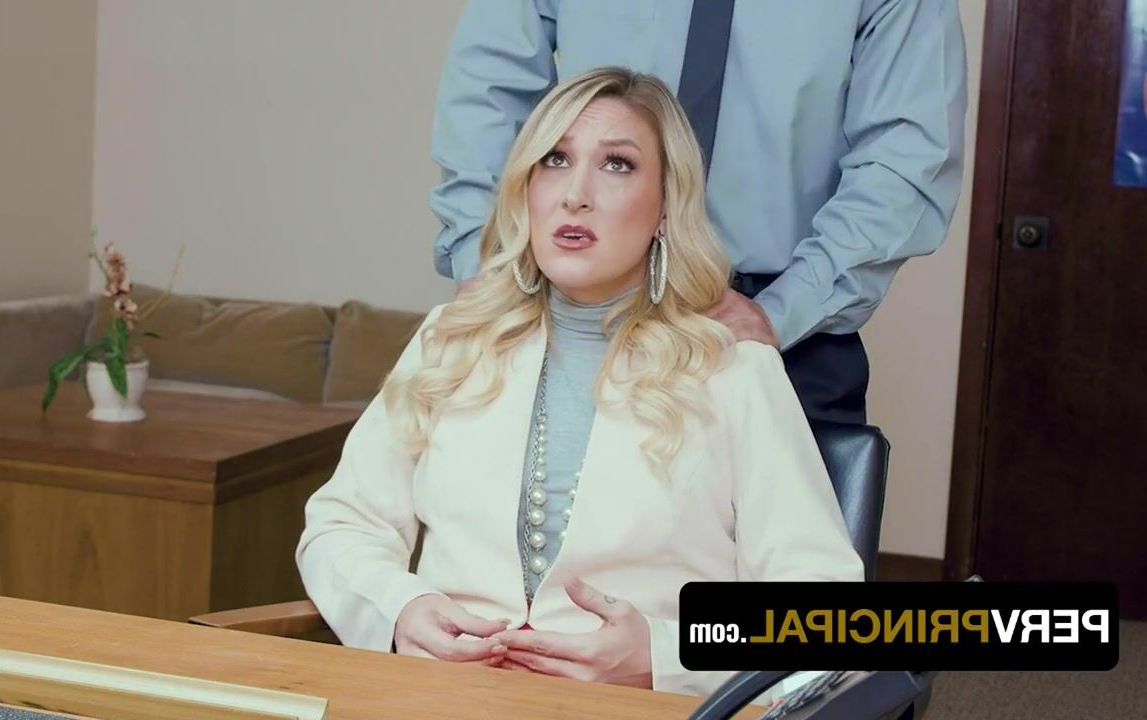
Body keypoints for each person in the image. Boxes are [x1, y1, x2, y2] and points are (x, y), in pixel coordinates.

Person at [295, 67, 862, 697]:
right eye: (555, 160)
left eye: (617, 165)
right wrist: (400, 608)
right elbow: (341, 526)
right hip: (441, 701)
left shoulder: (735, 371)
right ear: (526, 190)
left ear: (666, 208)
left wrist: (664, 655)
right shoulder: (450, 342)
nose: (575, 194)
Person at [428, 0, 968, 424]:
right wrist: (486, 269)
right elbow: (488, 93)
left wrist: (785, 311)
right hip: (572, 314)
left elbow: (905, 154)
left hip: (782, 327)